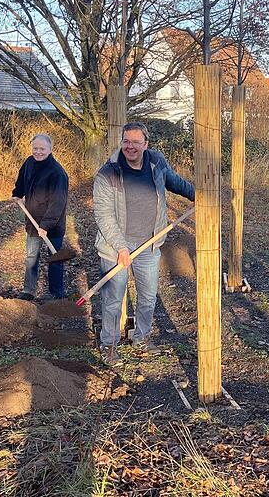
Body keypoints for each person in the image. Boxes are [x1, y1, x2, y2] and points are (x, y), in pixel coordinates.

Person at [93, 121, 194, 366]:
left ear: (146, 144)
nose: (130, 147)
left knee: (148, 296)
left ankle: (142, 338)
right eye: (126, 141)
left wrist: (200, 194)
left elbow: (176, 182)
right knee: (114, 298)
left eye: (136, 142)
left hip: (149, 244)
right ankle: (109, 344)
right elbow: (103, 215)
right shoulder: (108, 173)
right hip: (116, 246)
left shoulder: (156, 162)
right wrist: (121, 247)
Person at [11, 133, 69, 301]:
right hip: (33, 221)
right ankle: (29, 291)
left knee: (55, 258)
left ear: (50, 150)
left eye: (42, 149)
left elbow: (58, 203)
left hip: (53, 224)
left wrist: (45, 225)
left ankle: (56, 293)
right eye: (35, 148)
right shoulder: (29, 163)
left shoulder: (57, 173)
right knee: (31, 257)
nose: (38, 152)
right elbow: (21, 180)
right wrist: (17, 193)